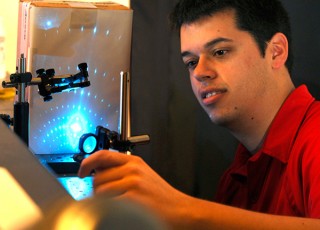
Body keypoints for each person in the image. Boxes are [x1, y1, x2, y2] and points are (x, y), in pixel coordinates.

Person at [78, 0, 320, 229]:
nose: (200, 73)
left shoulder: (314, 137)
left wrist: (183, 209)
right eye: (191, 62)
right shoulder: (236, 178)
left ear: (276, 52)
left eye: (220, 52)